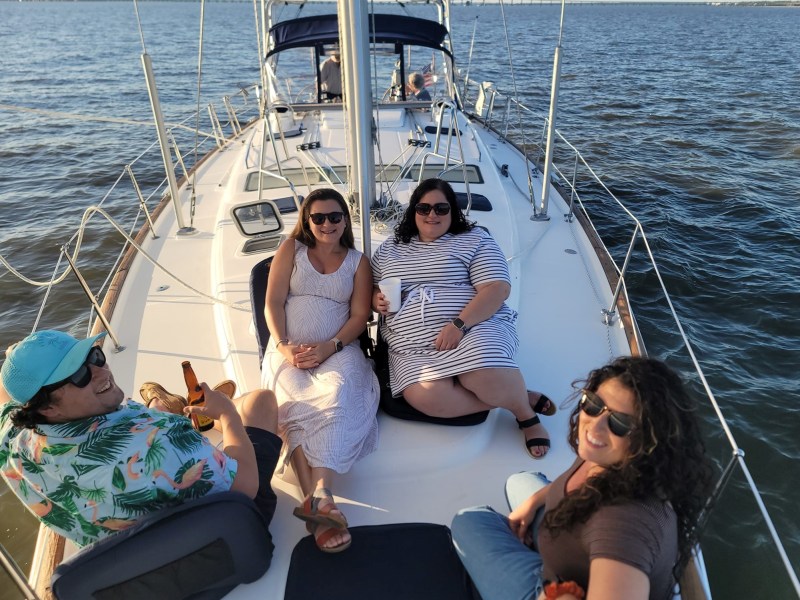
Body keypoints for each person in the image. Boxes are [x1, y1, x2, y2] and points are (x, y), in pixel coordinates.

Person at [450, 357, 714, 600]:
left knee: (472, 519)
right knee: (521, 481)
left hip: (555, 588)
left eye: (620, 423)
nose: (594, 426)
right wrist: (532, 503)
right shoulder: (613, 457)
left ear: (650, 439)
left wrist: (560, 595)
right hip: (573, 536)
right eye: (594, 404)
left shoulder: (623, 522)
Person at [0, 330, 281, 550]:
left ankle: (165, 404)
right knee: (260, 402)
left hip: (137, 569)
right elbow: (246, 487)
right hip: (227, 531)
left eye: (94, 356)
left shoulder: (15, 440)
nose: (101, 370)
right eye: (79, 374)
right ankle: (199, 409)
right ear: (47, 406)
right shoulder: (161, 443)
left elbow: (5, 396)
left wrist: (21, 360)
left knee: (153, 414)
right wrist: (229, 416)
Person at [371, 178, 553, 459]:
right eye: (424, 208)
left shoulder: (474, 239)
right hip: (412, 345)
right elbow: (372, 289)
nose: (432, 214)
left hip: (473, 327)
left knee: (488, 374)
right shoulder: (390, 248)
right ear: (413, 212)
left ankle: (524, 414)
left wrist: (458, 325)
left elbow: (497, 288)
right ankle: (514, 396)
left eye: (441, 208)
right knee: (428, 398)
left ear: (453, 212)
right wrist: (377, 301)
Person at [261, 188, 379, 553]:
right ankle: (323, 500)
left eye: (335, 216)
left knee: (338, 395)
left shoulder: (358, 262)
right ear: (307, 222)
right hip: (288, 348)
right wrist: (283, 345)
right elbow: (273, 302)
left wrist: (332, 346)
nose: (327, 224)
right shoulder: (290, 250)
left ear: (345, 219)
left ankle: (318, 494)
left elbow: (360, 316)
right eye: (319, 217)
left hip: (339, 347)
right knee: (292, 403)